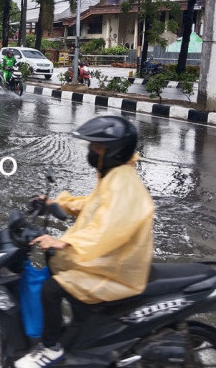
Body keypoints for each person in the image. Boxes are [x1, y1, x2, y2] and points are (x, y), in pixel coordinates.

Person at [15, 115, 155, 368]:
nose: (92, 151)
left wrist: (67, 243)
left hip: (117, 266)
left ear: (113, 151)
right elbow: (95, 205)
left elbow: (109, 229)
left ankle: (52, 348)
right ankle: (79, 333)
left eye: (97, 147)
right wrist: (58, 204)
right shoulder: (114, 175)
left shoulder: (123, 182)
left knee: (51, 289)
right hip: (112, 256)